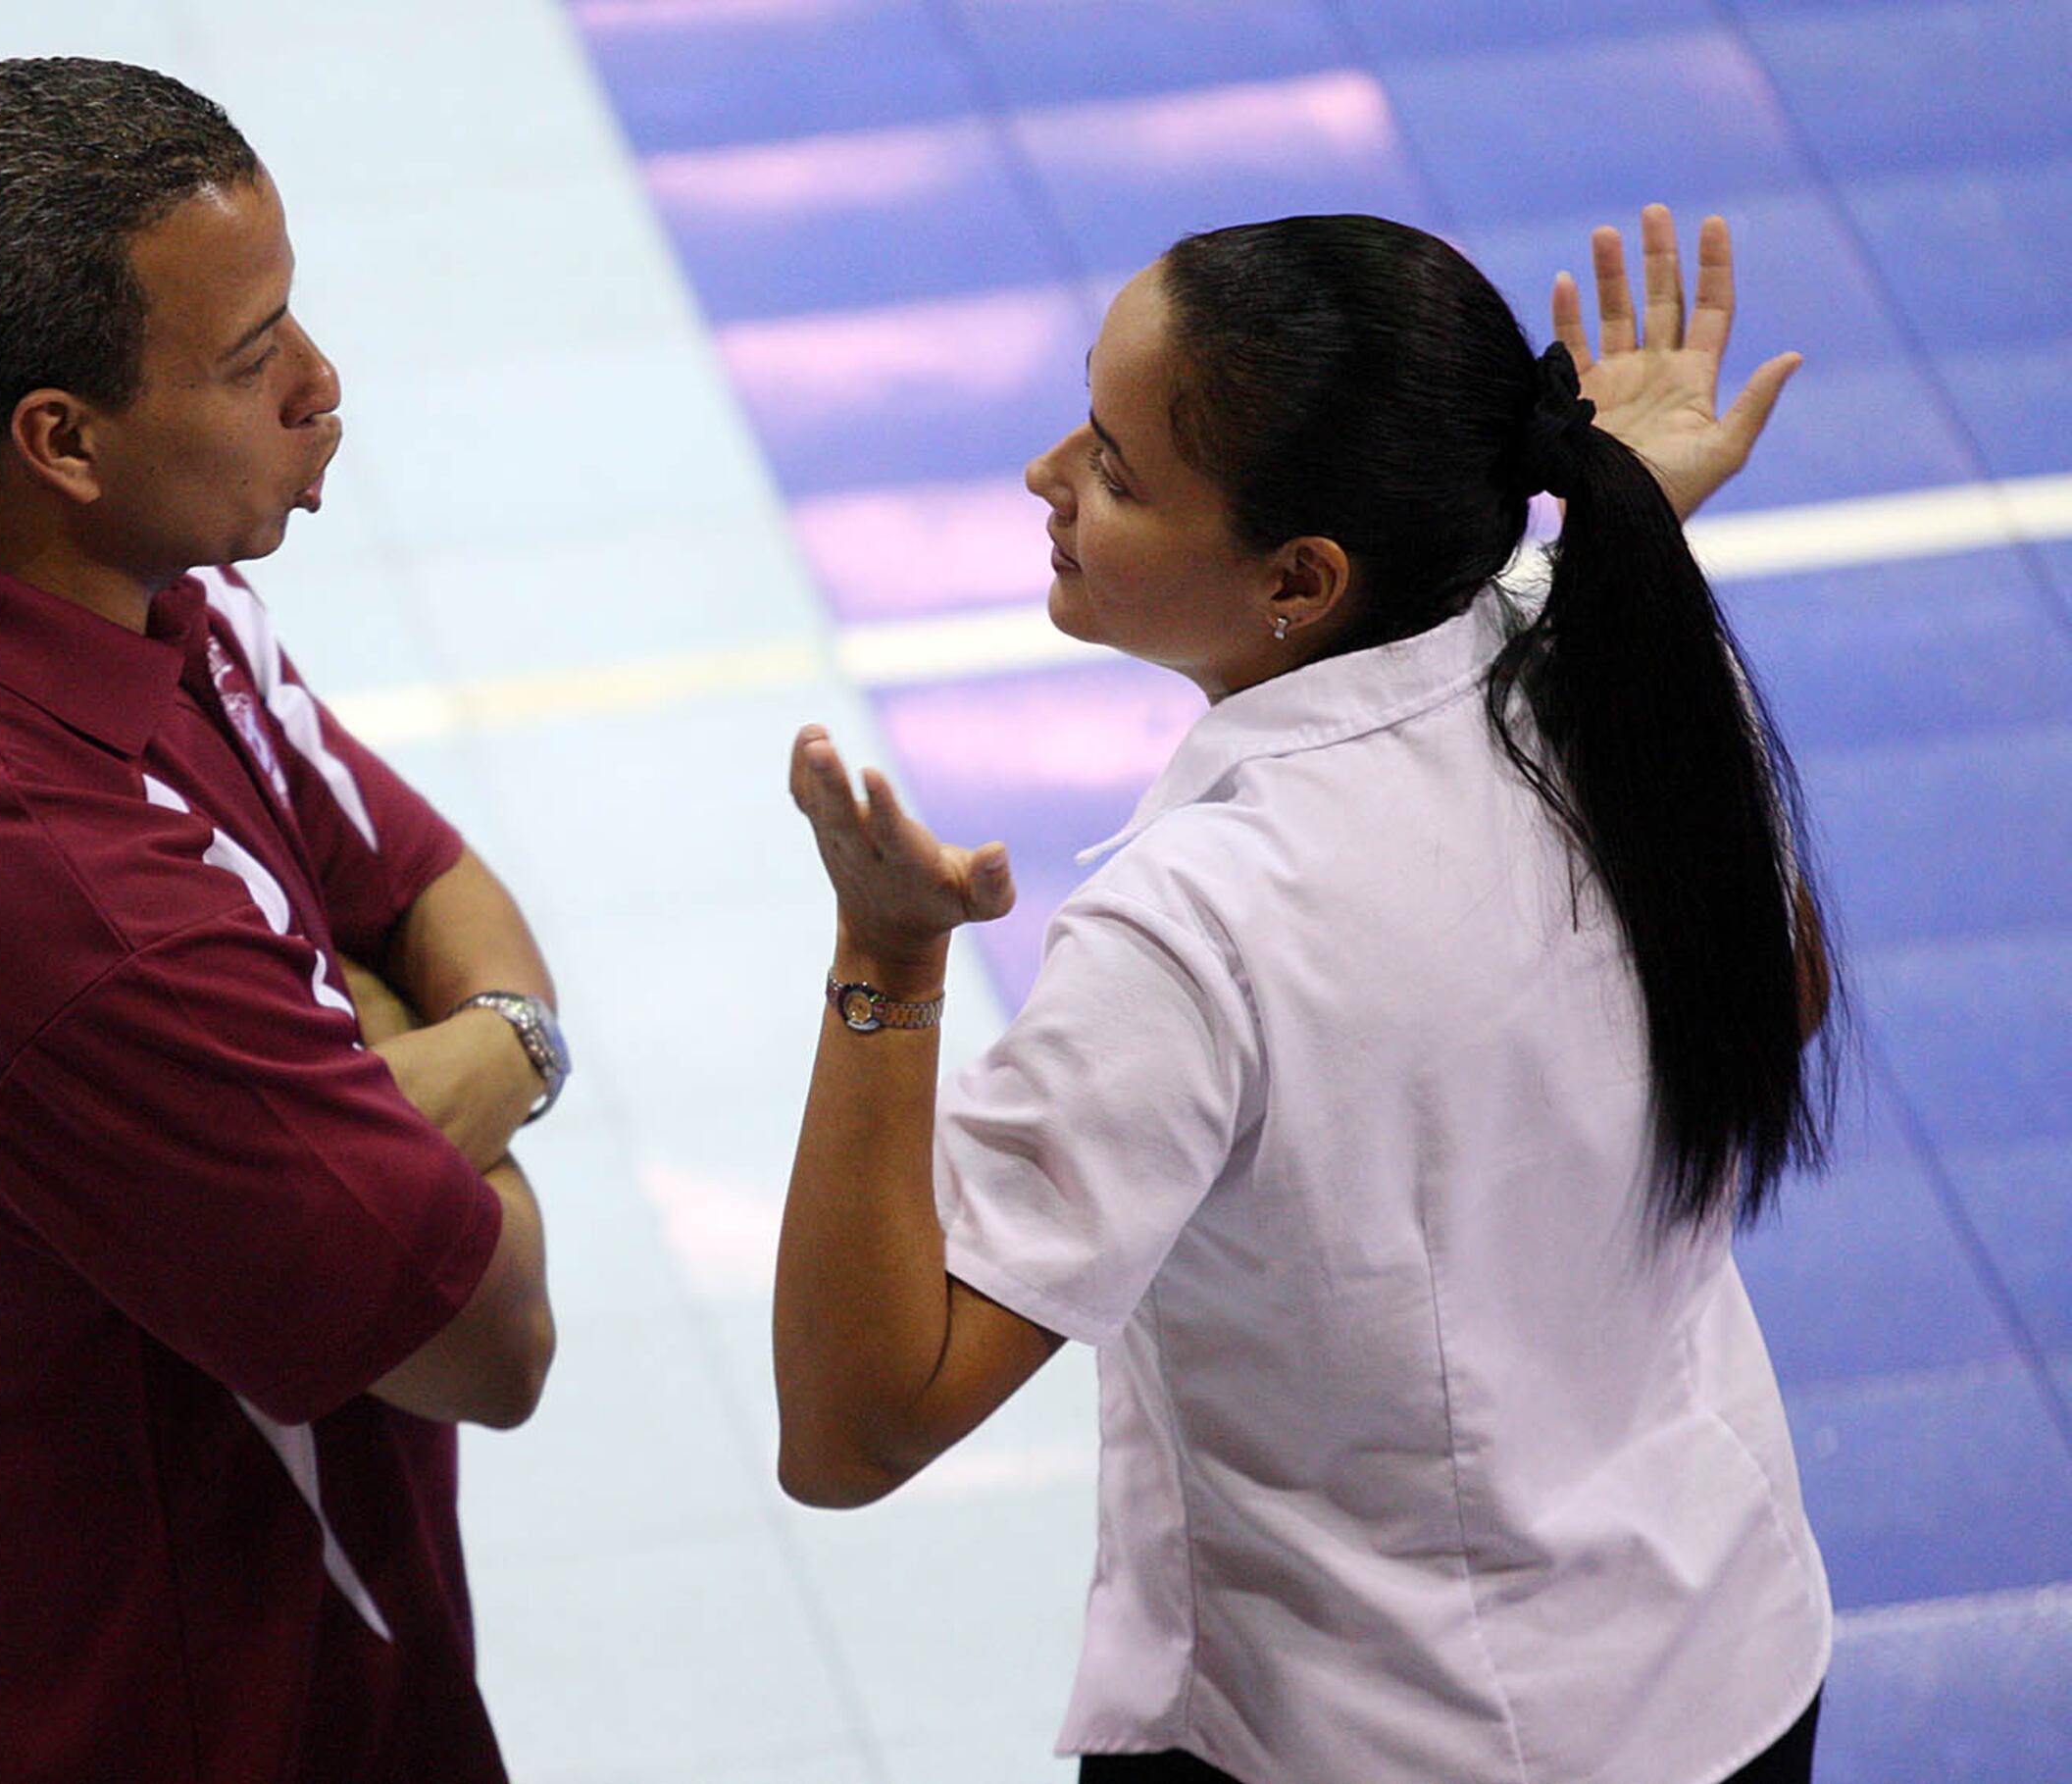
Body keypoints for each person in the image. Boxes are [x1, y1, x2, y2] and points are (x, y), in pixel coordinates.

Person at [774, 206, 1837, 1784]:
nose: (1046, 479)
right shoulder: (1629, 653)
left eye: (1117, 470)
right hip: (1726, 1670)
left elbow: (855, 1429)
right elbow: (1783, 988)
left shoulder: (1195, 929)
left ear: (1302, 578)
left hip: (1372, 1738)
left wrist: (887, 959)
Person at [0, 59, 568, 1783]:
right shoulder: (49, 892)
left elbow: (438, 896)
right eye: (255, 357)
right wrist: (438, 1046)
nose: (324, 386)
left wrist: (436, 1055)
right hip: (198, 1711)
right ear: (63, 437)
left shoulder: (51, 574)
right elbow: (493, 1335)